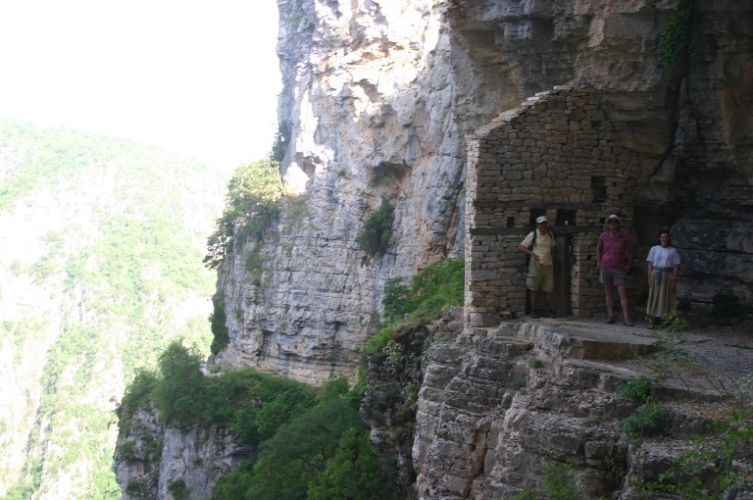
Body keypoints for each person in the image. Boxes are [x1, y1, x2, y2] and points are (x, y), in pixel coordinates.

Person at [596, 214, 634, 326]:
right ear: (608, 224)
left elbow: (631, 251)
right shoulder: (603, 236)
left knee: (622, 292)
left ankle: (626, 318)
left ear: (618, 224)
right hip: (606, 266)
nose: (613, 223)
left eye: (615, 221)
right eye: (610, 222)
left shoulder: (625, 236)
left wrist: (629, 264)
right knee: (608, 292)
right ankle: (611, 316)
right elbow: (598, 249)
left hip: (619, 267)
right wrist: (598, 262)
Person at [518, 215, 556, 318]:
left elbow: (552, 248)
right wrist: (532, 254)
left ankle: (548, 309)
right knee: (533, 287)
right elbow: (521, 247)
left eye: (545, 223)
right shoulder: (533, 234)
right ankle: (534, 310)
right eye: (542, 224)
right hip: (536, 265)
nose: (544, 226)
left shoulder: (550, 235)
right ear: (538, 225)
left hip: (548, 265)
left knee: (549, 288)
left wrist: (552, 259)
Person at [646, 230, 681, 329]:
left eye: (666, 237)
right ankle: (653, 320)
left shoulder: (673, 251)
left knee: (665, 297)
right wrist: (649, 277)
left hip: (667, 276)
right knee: (655, 296)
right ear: (659, 238)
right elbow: (650, 264)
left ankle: (665, 321)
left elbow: (675, 266)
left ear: (668, 239)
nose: (664, 239)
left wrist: (673, 281)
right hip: (656, 274)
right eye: (662, 237)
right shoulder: (654, 249)